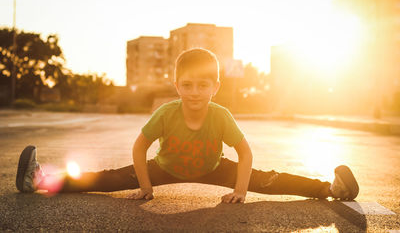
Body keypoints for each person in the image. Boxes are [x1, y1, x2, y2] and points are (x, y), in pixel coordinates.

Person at [16, 48, 359, 203]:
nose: (196, 92)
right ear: (177, 86)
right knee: (109, 178)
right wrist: (146, 185)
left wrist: (240, 190)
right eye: (188, 85)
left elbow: (244, 152)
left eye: (203, 85)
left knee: (268, 180)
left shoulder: (221, 115)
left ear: (215, 87)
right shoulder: (167, 113)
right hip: (165, 168)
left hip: (213, 169)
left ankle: (331, 190)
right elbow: (140, 146)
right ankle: (39, 179)